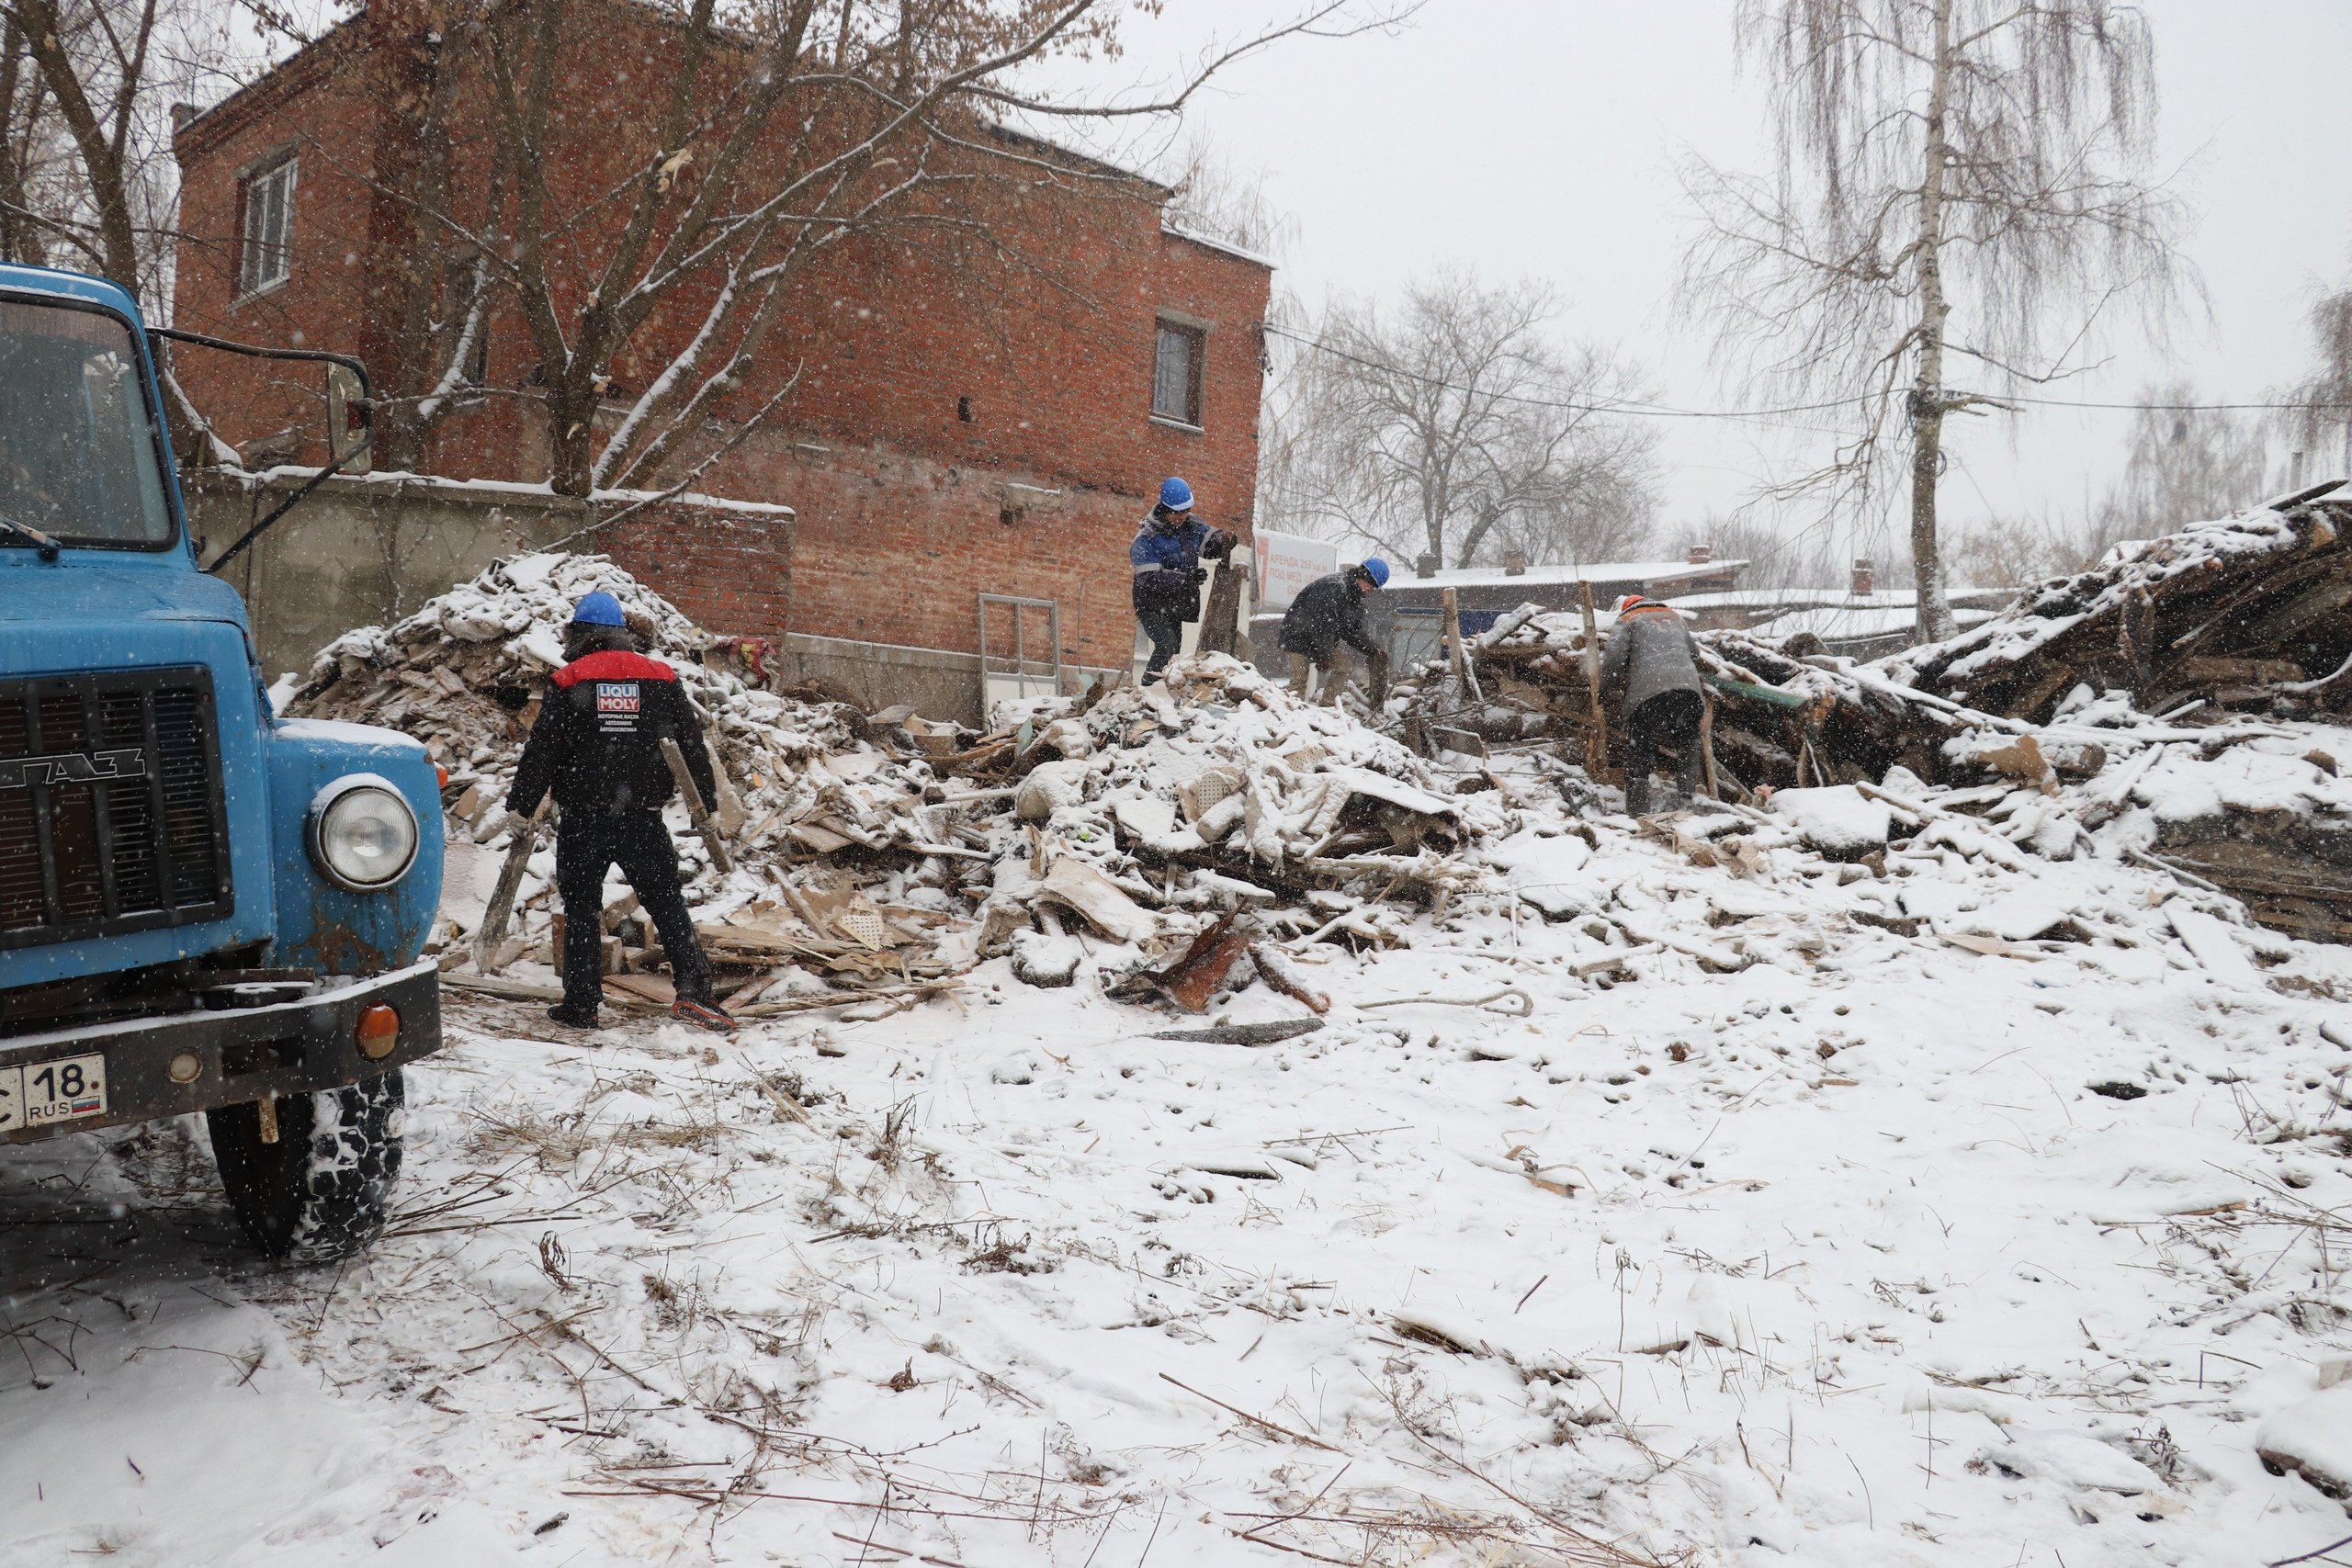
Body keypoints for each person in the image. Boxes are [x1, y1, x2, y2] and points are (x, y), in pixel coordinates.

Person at [507, 592, 734, 1033]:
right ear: (621, 633)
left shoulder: (569, 679)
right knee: (667, 902)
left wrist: (520, 804)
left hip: (583, 819)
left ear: (580, 633)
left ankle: (582, 1004)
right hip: (642, 817)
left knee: (581, 909)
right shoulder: (660, 676)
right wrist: (702, 801)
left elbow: (543, 751)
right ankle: (694, 992)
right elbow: (690, 744)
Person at [1600, 593, 1703, 817]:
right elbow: (1695, 653)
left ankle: (1637, 811)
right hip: (1688, 690)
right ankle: (1686, 801)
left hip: (1648, 692)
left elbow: (1613, 659)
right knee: (1688, 743)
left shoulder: (1627, 619)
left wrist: (1604, 689)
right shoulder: (1674, 617)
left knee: (1641, 747)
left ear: (1626, 607)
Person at [1129, 477, 1237, 682]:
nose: (1181, 517)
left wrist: (1224, 539)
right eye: (1176, 512)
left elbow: (1208, 541)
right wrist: (1185, 579)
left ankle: (1163, 691)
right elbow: (1149, 578)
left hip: (1175, 605)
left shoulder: (1189, 527)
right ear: (1164, 508)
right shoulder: (1146, 538)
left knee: (1173, 655)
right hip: (1150, 605)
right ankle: (1146, 689)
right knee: (1166, 645)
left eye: (1185, 511)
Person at [1278, 558, 1389, 704]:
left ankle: (1327, 707)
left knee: (1344, 667)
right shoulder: (1335, 587)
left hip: (1321, 640)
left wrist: (1373, 649)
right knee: (1299, 681)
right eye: (1371, 584)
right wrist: (1324, 656)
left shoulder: (1354, 599)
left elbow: (1351, 631)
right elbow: (1323, 624)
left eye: (1375, 588)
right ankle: (1282, 709)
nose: (1371, 590)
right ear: (1363, 575)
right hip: (1298, 635)